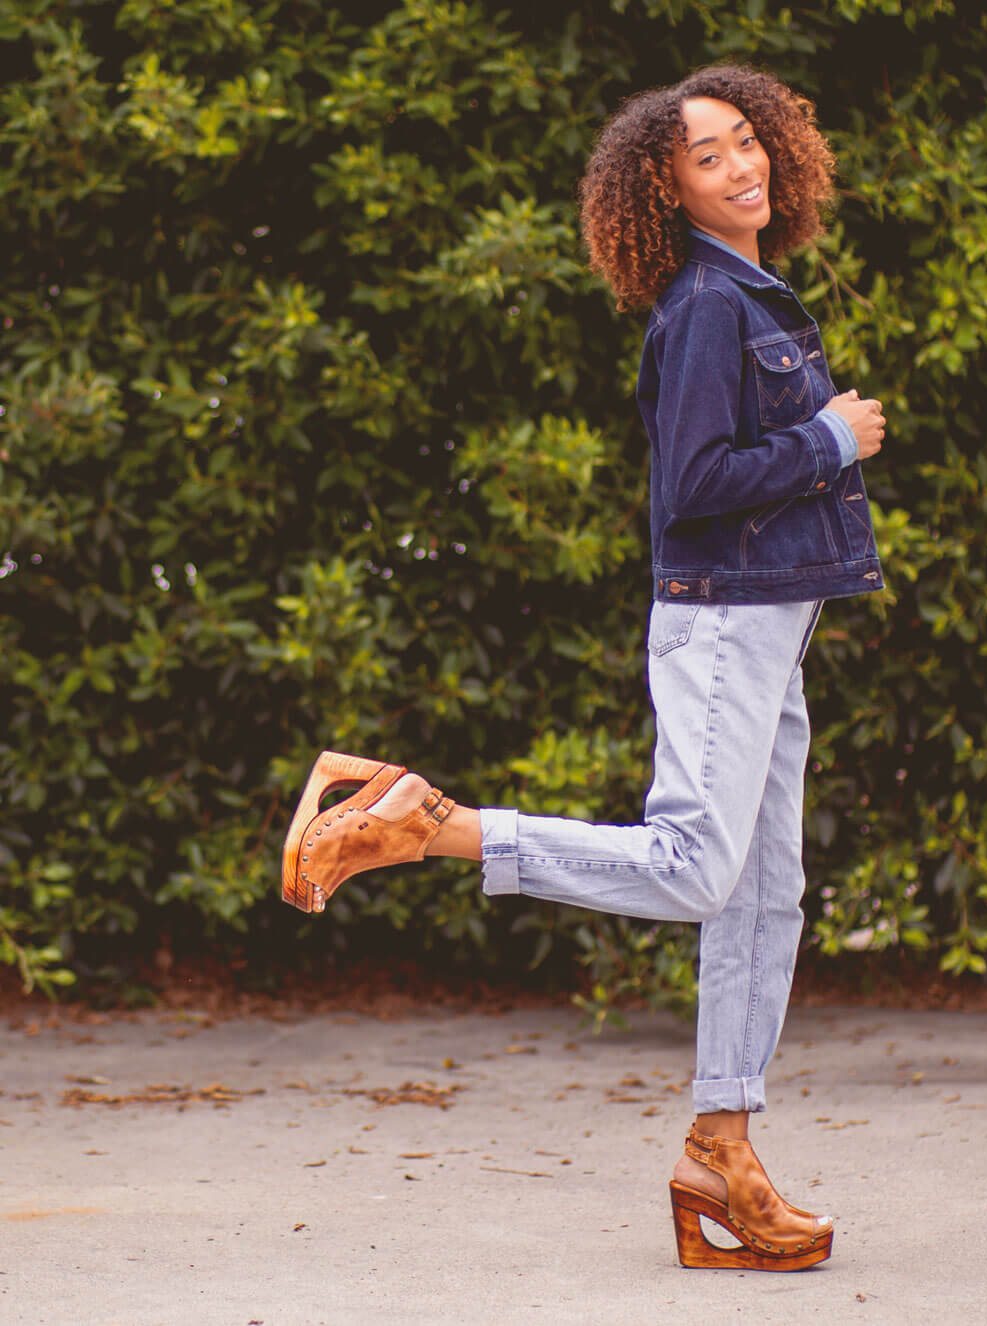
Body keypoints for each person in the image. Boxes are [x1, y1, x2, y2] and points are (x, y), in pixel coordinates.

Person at [281, 63, 885, 1272]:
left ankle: (723, 1152)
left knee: (768, 898)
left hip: (771, 632)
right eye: (705, 157)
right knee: (693, 872)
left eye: (744, 140)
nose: (740, 164)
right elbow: (694, 489)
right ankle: (422, 823)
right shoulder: (708, 306)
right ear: (666, 193)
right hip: (722, 625)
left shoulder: (750, 293)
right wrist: (829, 439)